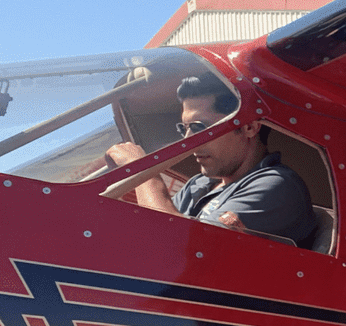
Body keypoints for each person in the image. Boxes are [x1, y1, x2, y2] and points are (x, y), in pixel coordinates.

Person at [106, 73, 318, 248]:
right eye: (184, 129)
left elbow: (173, 243)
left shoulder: (277, 185)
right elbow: (146, 242)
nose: (189, 142)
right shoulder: (199, 185)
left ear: (248, 127)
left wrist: (143, 172)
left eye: (199, 128)